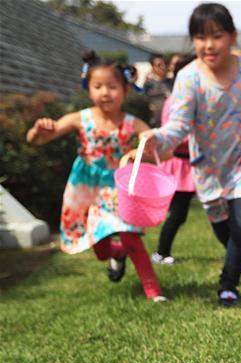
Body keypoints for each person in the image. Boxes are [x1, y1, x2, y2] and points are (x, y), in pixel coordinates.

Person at [139, 2, 241, 307]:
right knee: (225, 230)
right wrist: (155, 138)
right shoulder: (188, 77)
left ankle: (228, 283)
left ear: (233, 36)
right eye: (200, 37)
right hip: (207, 170)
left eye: (217, 35)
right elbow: (178, 125)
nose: (208, 45)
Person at [25, 51, 165, 302]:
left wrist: (142, 150)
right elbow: (36, 140)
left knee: (130, 235)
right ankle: (116, 253)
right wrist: (38, 130)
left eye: (112, 86)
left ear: (125, 89)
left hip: (117, 187)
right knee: (99, 246)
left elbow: (159, 150)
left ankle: (153, 290)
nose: (105, 92)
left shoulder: (132, 122)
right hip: (87, 189)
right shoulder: (81, 118)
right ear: (87, 89)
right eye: (97, 86)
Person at [152, 54, 231, 266]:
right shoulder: (172, 102)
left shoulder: (207, 98)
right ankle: (161, 252)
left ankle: (238, 253)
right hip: (180, 166)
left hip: (200, 164)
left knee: (218, 212)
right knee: (178, 213)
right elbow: (174, 132)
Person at [143, 53, 170, 127]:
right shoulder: (149, 84)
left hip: (170, 122)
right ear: (153, 67)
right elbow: (144, 100)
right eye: (159, 65)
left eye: (164, 64)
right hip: (155, 123)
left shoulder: (172, 82)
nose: (163, 67)